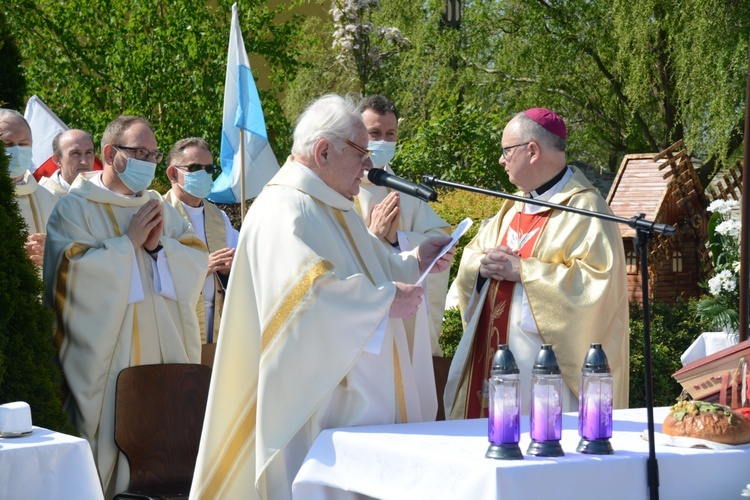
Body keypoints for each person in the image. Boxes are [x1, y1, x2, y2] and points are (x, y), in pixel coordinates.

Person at [190, 94, 455, 500]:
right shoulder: (284, 207)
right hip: (319, 408)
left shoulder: (334, 204)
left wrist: (413, 262)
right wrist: (383, 302)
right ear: (324, 150)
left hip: (355, 406)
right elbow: (304, 301)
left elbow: (365, 272)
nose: (369, 165)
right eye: (361, 153)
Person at [43, 115, 208, 498]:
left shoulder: (158, 207)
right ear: (110, 154)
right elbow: (68, 275)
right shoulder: (75, 209)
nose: (148, 162)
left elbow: (195, 258)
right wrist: (127, 245)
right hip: (108, 352)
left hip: (165, 350)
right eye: (139, 152)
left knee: (170, 444)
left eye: (152, 153)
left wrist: (157, 250)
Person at [444, 108, 629, 419]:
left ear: (532, 151)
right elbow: (473, 254)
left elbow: (598, 287)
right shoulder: (514, 204)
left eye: (506, 151)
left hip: (545, 366)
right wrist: (480, 266)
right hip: (493, 357)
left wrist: (524, 272)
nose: (501, 160)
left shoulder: (587, 209)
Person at [356, 95, 451, 358]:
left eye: (391, 134)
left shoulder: (404, 190)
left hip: (405, 310)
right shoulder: (338, 189)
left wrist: (398, 238)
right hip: (364, 317)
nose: (383, 142)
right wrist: (372, 235)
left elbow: (441, 239)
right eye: (374, 133)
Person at [164, 137, 238, 344]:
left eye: (209, 169)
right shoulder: (159, 213)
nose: (203, 174)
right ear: (172, 173)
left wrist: (227, 269)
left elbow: (238, 266)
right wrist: (201, 267)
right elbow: (152, 270)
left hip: (217, 316)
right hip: (177, 318)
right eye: (195, 167)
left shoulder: (220, 218)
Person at [0, 108, 58, 268]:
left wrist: (54, 249)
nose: (17, 151)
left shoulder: (50, 198)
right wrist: (15, 253)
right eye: (7, 144)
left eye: (23, 144)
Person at [39, 129, 96, 197]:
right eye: (75, 153)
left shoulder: (103, 192)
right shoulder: (42, 196)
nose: (84, 161)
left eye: (88, 153)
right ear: (57, 159)